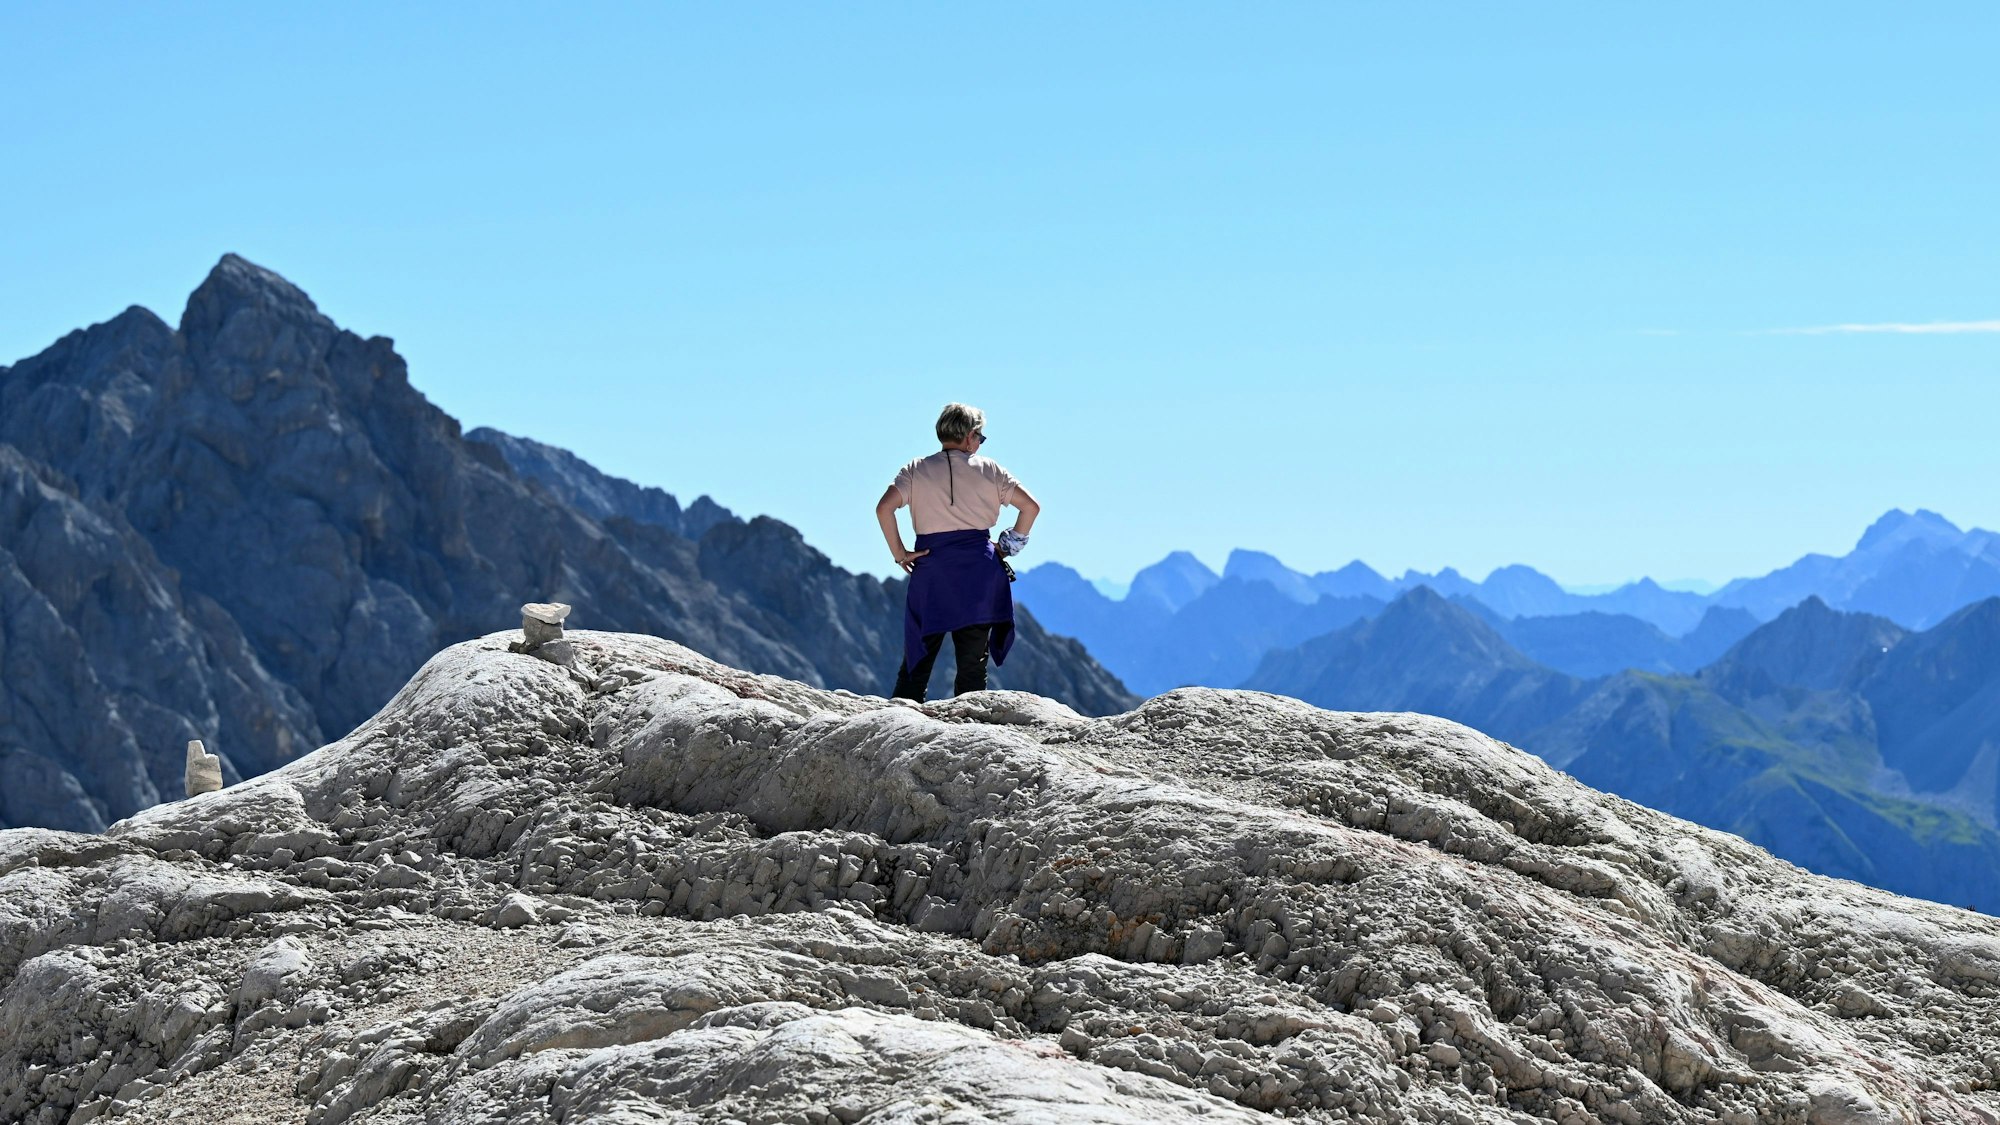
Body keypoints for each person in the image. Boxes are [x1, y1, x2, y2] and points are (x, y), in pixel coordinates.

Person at [876, 402, 1041, 702]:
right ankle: (971, 731)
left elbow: (883, 508)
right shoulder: (991, 470)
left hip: (932, 571)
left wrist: (900, 553)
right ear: (968, 436)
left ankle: (901, 720)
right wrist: (1005, 547)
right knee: (973, 667)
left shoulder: (915, 470)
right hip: (979, 572)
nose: (979, 443)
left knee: (917, 662)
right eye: (980, 436)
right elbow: (1031, 508)